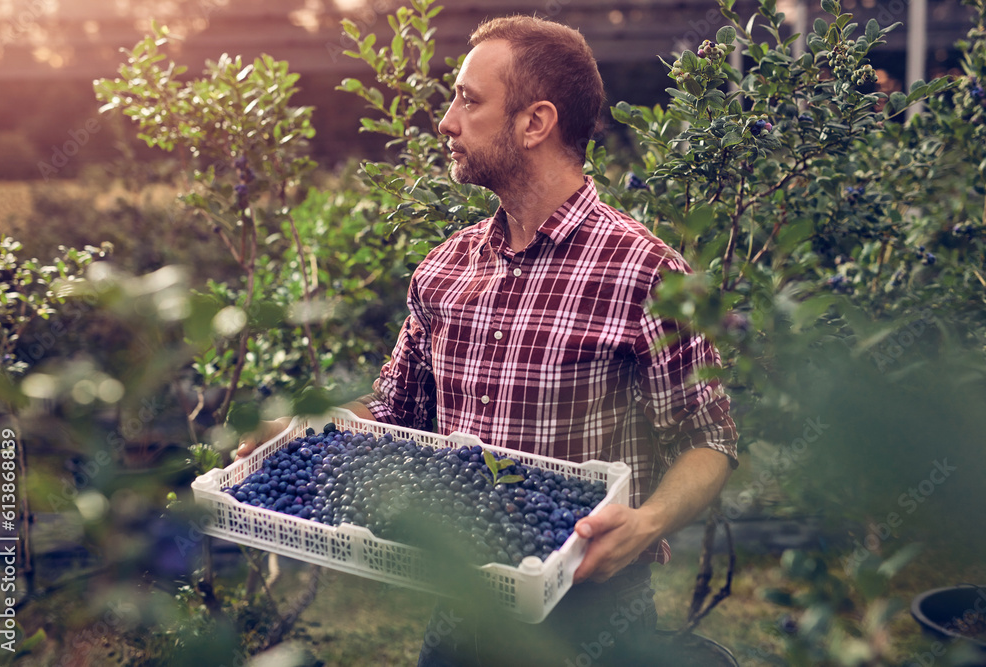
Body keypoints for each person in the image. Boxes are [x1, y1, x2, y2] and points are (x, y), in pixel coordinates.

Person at [238, 14, 738, 665]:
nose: (446, 121)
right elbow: (394, 411)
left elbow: (712, 438)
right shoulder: (445, 270)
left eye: (469, 101)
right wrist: (303, 430)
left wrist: (644, 523)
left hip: (590, 617)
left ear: (536, 123)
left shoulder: (646, 272)